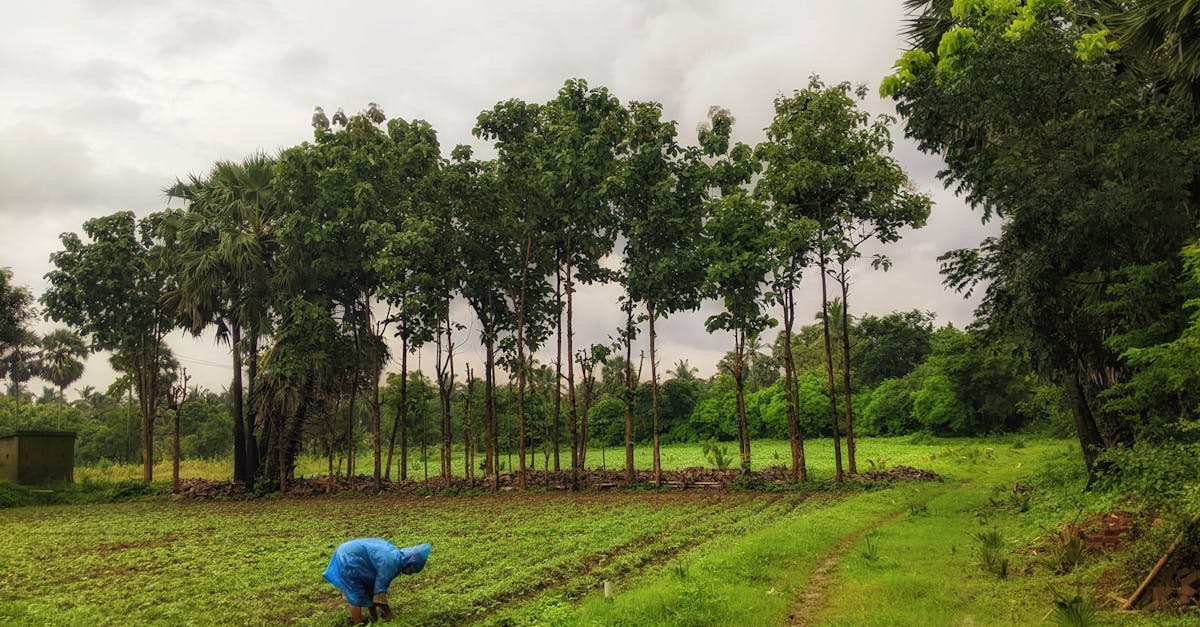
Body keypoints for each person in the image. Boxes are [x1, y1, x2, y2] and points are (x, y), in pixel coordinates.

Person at [323, 538, 431, 623]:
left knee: (368, 587)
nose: (410, 574)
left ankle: (374, 620)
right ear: (409, 563)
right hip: (350, 557)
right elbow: (379, 595)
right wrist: (389, 614)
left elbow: (374, 590)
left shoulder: (395, 556)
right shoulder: (391, 564)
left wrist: (376, 618)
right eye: (411, 571)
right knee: (355, 592)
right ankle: (357, 622)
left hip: (350, 551)